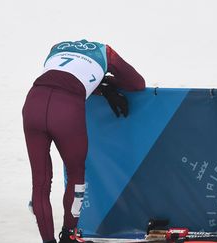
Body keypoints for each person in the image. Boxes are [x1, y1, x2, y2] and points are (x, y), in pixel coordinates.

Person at [22, 39, 145, 243]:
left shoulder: (57, 47)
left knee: (40, 183)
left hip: (34, 103)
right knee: (75, 174)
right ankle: (69, 235)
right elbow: (137, 83)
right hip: (66, 109)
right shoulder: (106, 52)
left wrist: (99, 85)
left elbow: (63, 77)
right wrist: (106, 83)